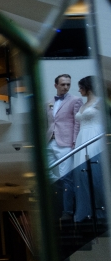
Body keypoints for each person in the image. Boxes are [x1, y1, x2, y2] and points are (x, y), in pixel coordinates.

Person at [48, 74, 82, 220]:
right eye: (63, 84)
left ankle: (67, 211)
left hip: (66, 143)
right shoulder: (49, 102)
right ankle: (59, 195)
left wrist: (74, 142)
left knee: (67, 177)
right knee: (46, 173)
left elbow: (77, 122)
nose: (66, 87)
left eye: (68, 84)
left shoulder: (75, 100)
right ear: (56, 85)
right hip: (49, 141)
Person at [73, 76, 106, 224]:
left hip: (95, 135)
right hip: (82, 137)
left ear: (88, 87)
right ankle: (87, 211)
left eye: (81, 87)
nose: (79, 90)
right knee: (82, 175)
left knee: (95, 172)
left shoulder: (100, 102)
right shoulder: (83, 104)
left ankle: (102, 210)